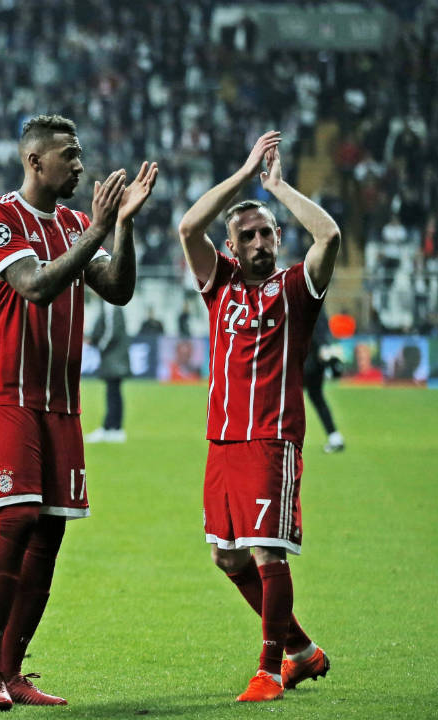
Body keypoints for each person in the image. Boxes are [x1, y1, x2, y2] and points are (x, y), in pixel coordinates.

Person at [0, 114, 156, 709]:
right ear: (34, 162)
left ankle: (13, 670)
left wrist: (120, 227)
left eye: (79, 155)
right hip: (8, 392)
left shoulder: (76, 222)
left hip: (62, 402)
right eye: (68, 155)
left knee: (50, 529)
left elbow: (119, 289)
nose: (80, 165)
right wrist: (97, 230)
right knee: (18, 518)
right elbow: (36, 286)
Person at [177, 131, 337, 703]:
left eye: (267, 232)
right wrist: (244, 176)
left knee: (268, 552)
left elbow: (329, 234)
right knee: (226, 555)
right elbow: (188, 227)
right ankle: (301, 650)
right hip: (222, 442)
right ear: (233, 245)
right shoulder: (217, 283)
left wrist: (276, 187)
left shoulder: (296, 289)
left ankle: (271, 670)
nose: (261, 240)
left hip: (272, 442)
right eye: (248, 235)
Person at [84, 302, 130, 443]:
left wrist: (101, 346)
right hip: (116, 358)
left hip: (114, 358)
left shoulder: (111, 306)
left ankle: (110, 428)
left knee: (112, 393)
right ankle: (114, 428)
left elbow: (111, 332)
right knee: (114, 392)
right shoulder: (113, 306)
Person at [302, 309, 344, 453]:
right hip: (318, 359)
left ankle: (286, 437)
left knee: (288, 398)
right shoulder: (320, 304)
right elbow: (324, 330)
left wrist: (320, 347)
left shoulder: (305, 300)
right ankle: (334, 436)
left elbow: (310, 329)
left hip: (306, 359)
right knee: (317, 398)